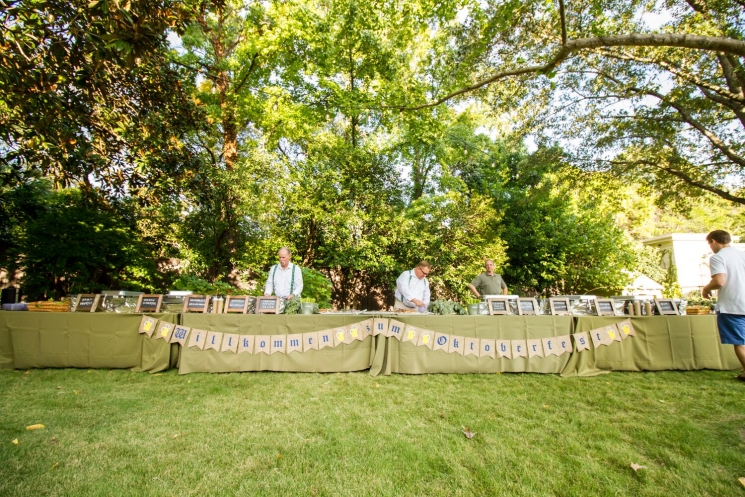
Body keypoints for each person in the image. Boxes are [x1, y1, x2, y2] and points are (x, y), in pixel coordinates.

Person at [702, 230, 745, 381]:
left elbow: (719, 281)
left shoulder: (718, 257)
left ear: (713, 241)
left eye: (709, 244)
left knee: (739, 342)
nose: (710, 247)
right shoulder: (742, 254)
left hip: (733, 305)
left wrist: (706, 288)